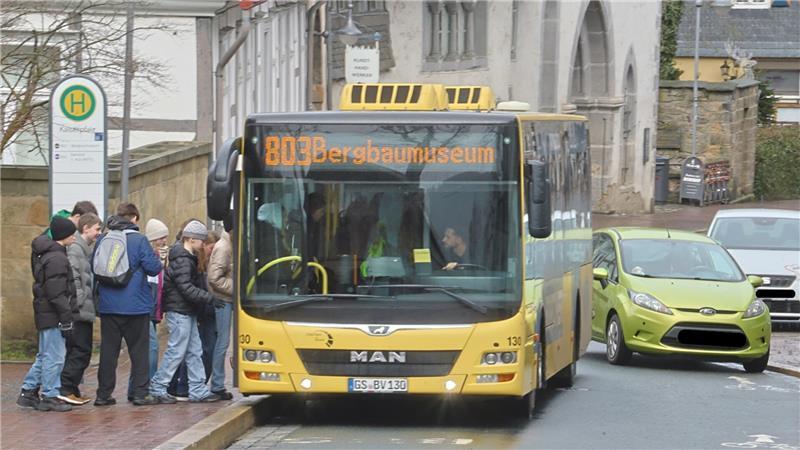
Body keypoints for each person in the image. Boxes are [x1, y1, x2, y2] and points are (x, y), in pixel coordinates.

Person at [94, 203, 163, 406]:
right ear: (133, 218)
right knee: (139, 352)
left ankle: (103, 395)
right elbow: (153, 268)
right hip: (136, 306)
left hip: (108, 306)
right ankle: (140, 394)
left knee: (108, 352)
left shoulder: (104, 239)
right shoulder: (139, 240)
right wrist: (158, 258)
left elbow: (94, 266)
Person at [150, 220, 225, 403]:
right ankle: (159, 387)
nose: (202, 245)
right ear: (191, 240)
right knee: (178, 351)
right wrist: (209, 298)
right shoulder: (184, 259)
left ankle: (197, 389)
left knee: (194, 351)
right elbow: (185, 287)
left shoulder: (183, 256)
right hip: (180, 311)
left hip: (185, 310)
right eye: (200, 241)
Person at [17, 217, 77, 412]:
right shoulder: (57, 258)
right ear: (64, 236)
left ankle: (28, 391)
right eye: (72, 234)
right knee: (55, 356)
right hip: (54, 315)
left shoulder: (47, 254)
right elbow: (57, 292)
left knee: (44, 355)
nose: (74, 237)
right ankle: (49, 395)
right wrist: (66, 317)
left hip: (46, 314)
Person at [59, 213, 102, 406]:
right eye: (97, 229)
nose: (98, 233)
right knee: (80, 350)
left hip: (83, 308)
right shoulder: (76, 249)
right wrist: (80, 300)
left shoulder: (83, 249)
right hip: (79, 309)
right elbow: (75, 276)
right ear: (86, 228)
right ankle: (66, 387)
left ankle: (72, 388)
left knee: (81, 350)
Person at [127, 218, 170, 402]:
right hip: (144, 309)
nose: (164, 242)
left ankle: (134, 388)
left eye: (165, 237)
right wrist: (158, 260)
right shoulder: (146, 255)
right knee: (150, 349)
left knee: (145, 350)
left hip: (152, 310)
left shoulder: (159, 257)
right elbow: (150, 278)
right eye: (160, 238)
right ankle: (146, 387)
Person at [208, 228, 234, 400]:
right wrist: (236, 287)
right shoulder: (224, 247)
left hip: (228, 299)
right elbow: (214, 278)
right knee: (222, 342)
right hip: (223, 299)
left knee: (223, 341)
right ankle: (217, 385)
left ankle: (217, 383)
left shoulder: (230, 244)